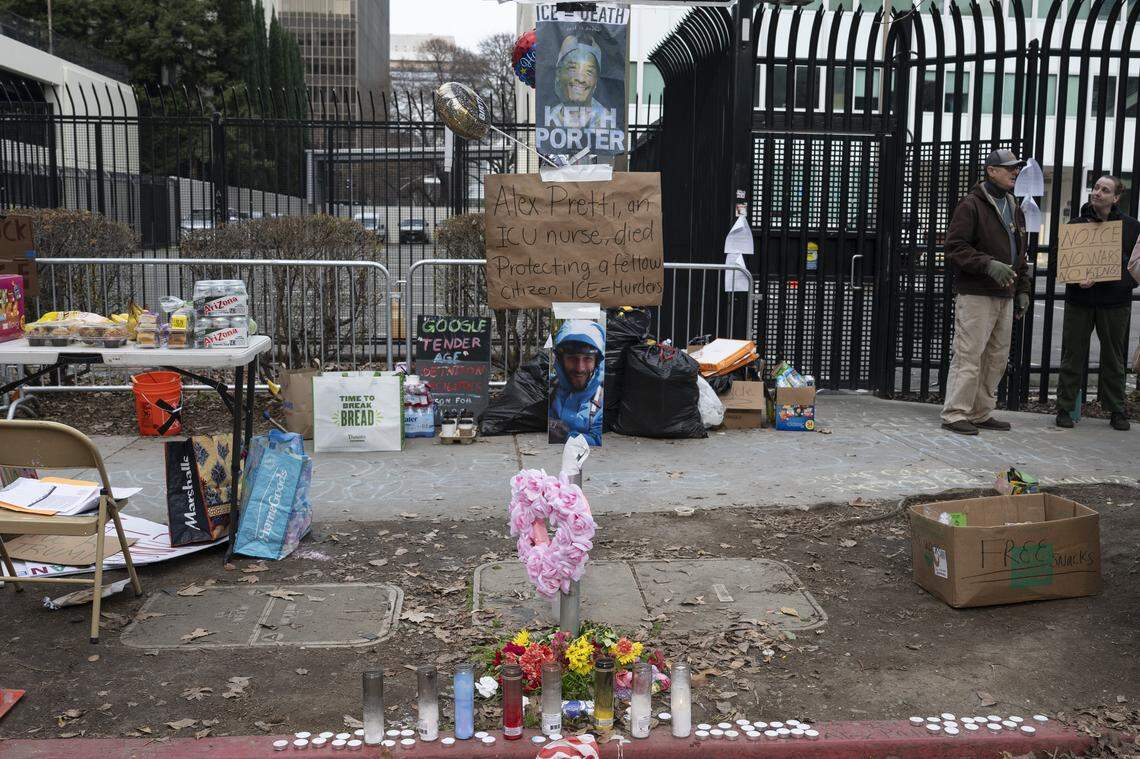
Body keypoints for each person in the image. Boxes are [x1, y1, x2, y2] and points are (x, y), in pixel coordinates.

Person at [940, 149, 1033, 435]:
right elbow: (955, 247)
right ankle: (955, 413)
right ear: (991, 170)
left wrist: (1022, 290)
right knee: (969, 354)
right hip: (977, 293)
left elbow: (1021, 255)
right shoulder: (971, 205)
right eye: (1008, 169)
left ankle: (980, 412)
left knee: (996, 357)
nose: (1014, 173)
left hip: (1004, 294)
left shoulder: (1013, 206)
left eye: (1016, 169)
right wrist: (988, 264)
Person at [1055, 175, 1139, 431]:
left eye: (1105, 190)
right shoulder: (1076, 225)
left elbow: (1136, 269)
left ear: (1116, 198)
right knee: (1073, 353)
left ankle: (1115, 409)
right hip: (1080, 300)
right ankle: (1065, 407)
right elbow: (1065, 265)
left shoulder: (1132, 227)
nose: (1097, 193)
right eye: (1096, 188)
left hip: (1115, 302)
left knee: (1113, 357)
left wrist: (1115, 279)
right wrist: (1076, 279)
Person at [549, 320, 605, 446]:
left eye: (587, 359)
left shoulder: (605, 399)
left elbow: (600, 441)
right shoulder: (546, 388)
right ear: (560, 361)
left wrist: (566, 437)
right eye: (572, 358)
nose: (580, 368)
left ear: (597, 362)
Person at [544, 35, 609, 130]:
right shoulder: (550, 118)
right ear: (558, 72)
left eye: (589, 72)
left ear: (596, 80)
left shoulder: (606, 122)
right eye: (572, 69)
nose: (581, 79)